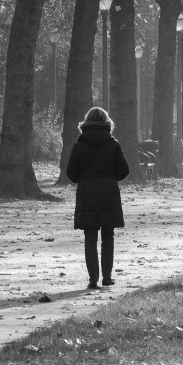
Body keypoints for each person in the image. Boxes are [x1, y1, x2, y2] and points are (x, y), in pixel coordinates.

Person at [66, 107, 129, 289]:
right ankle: (107, 277)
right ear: (107, 122)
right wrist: (110, 177)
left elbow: (72, 173)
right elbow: (124, 170)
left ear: (86, 122)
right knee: (108, 235)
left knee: (90, 236)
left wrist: (85, 178)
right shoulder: (113, 144)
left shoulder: (79, 145)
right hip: (108, 192)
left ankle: (93, 279)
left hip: (87, 192)